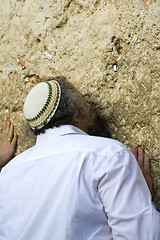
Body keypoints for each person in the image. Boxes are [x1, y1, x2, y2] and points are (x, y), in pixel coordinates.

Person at [0, 76, 159, 240]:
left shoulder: (7, 175)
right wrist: (141, 201)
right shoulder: (107, 155)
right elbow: (142, 236)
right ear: (77, 109)